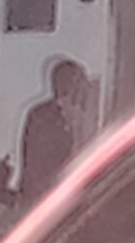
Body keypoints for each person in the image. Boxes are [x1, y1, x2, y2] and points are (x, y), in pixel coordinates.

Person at [19, 58, 90, 208]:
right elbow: (35, 162)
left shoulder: (82, 117)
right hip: (43, 199)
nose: (82, 89)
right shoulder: (41, 116)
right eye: (78, 82)